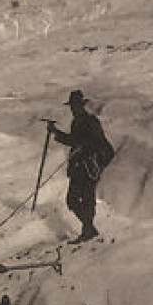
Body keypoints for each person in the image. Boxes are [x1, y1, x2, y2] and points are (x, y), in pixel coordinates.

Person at [48, 89, 114, 243]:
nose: (73, 109)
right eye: (72, 106)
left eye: (76, 105)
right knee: (72, 200)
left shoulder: (91, 121)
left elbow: (99, 141)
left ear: (81, 105)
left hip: (90, 166)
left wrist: (84, 145)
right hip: (79, 167)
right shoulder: (76, 121)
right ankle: (89, 228)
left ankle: (88, 230)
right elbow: (74, 141)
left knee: (87, 198)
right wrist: (55, 132)